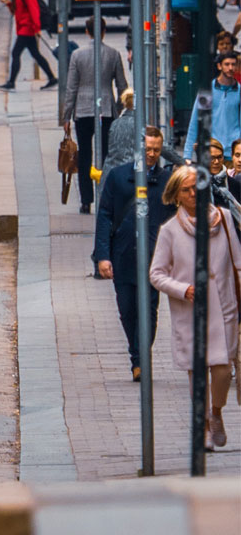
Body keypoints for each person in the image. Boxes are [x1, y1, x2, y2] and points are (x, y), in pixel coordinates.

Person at [149, 166, 241, 449]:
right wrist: (183, 289)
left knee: (224, 369)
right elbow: (156, 274)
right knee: (197, 372)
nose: (193, 195)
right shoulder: (170, 232)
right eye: (186, 190)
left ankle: (216, 413)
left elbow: (238, 262)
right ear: (176, 195)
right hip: (191, 313)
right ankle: (202, 428)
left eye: (197, 189)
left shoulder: (223, 219)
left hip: (224, 308)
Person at [96, 128, 173, 381]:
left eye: (156, 150)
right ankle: (136, 354)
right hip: (123, 255)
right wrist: (102, 256)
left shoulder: (166, 182)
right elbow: (105, 216)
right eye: (148, 149)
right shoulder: (118, 177)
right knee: (128, 309)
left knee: (149, 309)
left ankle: (141, 359)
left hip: (154, 259)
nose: (152, 155)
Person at [62, 17, 129, 213]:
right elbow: (122, 86)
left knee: (84, 155)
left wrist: (67, 116)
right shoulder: (113, 54)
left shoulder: (77, 55)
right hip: (106, 110)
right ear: (104, 31)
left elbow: (71, 88)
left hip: (83, 111)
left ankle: (86, 200)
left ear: (87, 31)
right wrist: (116, 108)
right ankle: (105, 195)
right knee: (106, 155)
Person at [0, 0, 56, 90]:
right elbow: (17, 11)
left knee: (15, 53)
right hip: (24, 28)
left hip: (27, 29)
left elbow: (34, 10)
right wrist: (8, 3)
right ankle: (52, 78)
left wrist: (36, 28)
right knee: (36, 54)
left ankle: (11, 82)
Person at [185, 51, 241, 160]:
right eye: (227, 64)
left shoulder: (239, 91)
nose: (230, 68)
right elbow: (195, 121)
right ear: (219, 66)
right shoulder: (208, 90)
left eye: (233, 64)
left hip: (233, 154)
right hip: (211, 151)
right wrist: (187, 155)